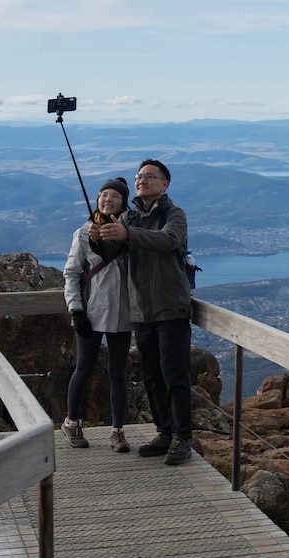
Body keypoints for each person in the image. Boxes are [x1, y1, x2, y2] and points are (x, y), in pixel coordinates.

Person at [91, 159, 194, 465]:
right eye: (139, 176)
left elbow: (168, 240)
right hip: (142, 310)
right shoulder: (131, 219)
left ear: (165, 184)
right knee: (152, 375)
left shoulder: (173, 214)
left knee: (175, 375)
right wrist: (97, 238)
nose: (142, 180)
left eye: (150, 176)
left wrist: (126, 233)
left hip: (171, 307)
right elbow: (112, 254)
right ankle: (164, 432)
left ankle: (182, 438)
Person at [62, 177, 133, 453]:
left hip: (122, 313)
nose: (107, 200)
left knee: (118, 373)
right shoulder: (84, 233)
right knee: (84, 368)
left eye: (114, 196)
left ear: (124, 202)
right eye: (104, 195)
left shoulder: (130, 232)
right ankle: (71, 422)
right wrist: (76, 309)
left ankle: (117, 432)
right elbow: (71, 273)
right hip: (90, 312)